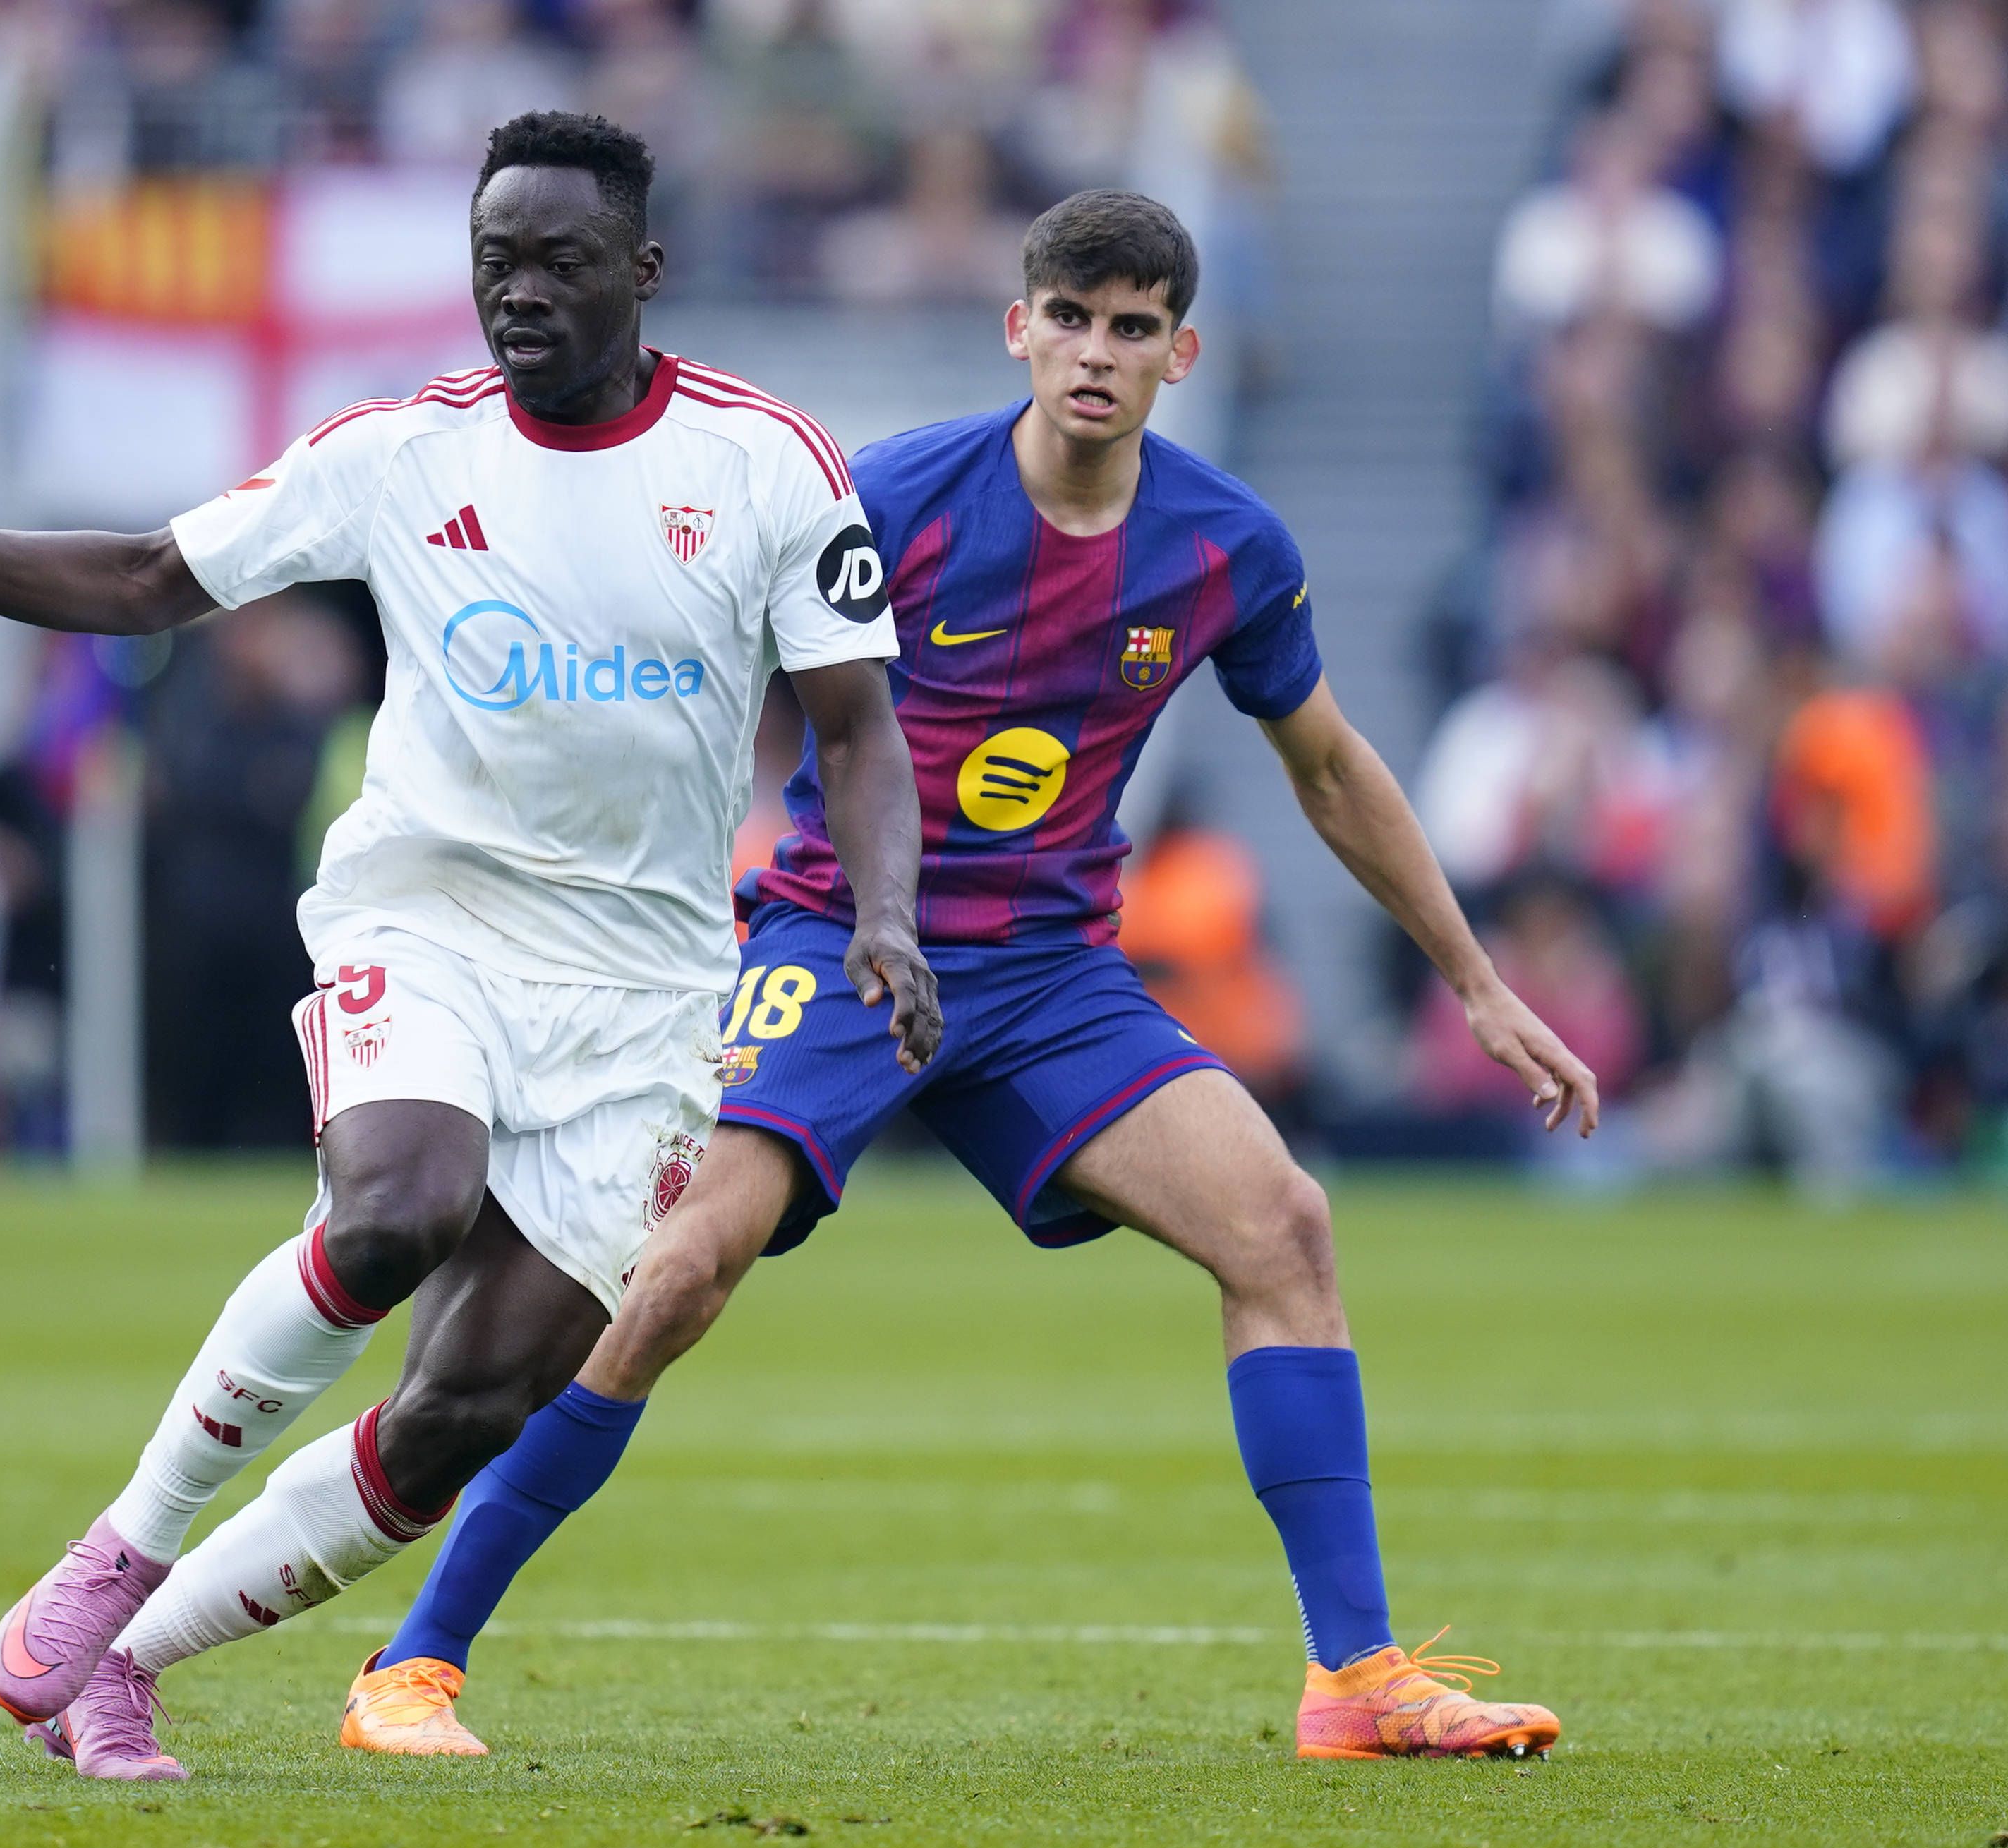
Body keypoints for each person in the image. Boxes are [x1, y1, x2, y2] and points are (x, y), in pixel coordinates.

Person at [0, 111, 942, 1781]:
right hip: (430, 910)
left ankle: (123, 1665)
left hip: (645, 996)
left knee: (467, 1406)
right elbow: (148, 576)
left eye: (560, 262)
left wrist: (883, 912)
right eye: (495, 262)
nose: (519, 293)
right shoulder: (401, 452)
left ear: (641, 269)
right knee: (397, 1206)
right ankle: (119, 1546)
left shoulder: (768, 462)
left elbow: (855, 730)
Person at [347, 190, 1592, 1765]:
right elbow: (692, 667)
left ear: (1179, 354)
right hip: (838, 944)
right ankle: (412, 1664)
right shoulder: (888, 499)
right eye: (1069, 318)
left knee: (1282, 1225)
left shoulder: (1224, 546)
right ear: (1019, 329)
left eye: (1132, 327)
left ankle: (1353, 1676)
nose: (1096, 352)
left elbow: (1331, 767)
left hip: (1050, 975)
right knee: (672, 1275)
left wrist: (1474, 982)